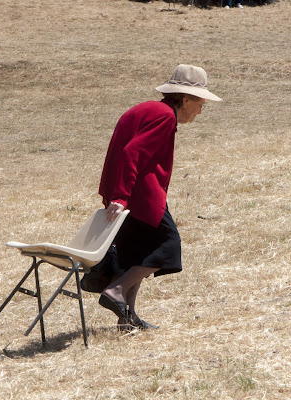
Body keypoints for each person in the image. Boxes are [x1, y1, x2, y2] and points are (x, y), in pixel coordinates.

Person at [97, 64, 222, 330]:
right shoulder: (164, 116)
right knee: (168, 244)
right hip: (138, 196)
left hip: (126, 194)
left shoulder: (148, 109)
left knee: (137, 253)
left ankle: (127, 318)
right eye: (201, 104)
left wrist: (116, 195)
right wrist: (121, 196)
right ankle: (116, 290)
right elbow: (132, 153)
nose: (201, 111)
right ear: (186, 99)